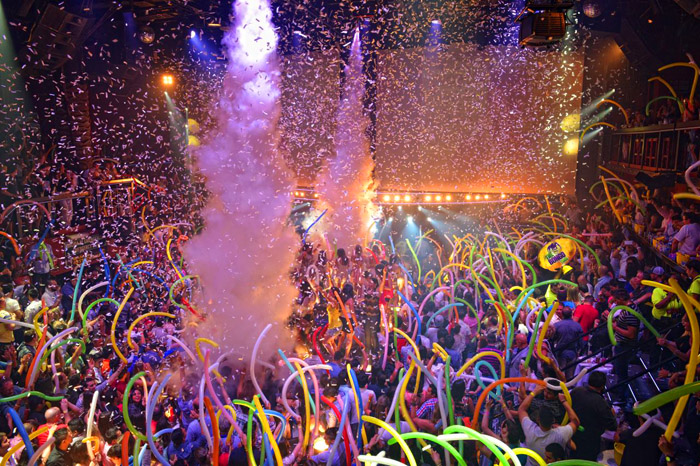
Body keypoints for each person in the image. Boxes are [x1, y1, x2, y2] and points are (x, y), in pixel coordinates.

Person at [518, 385, 580, 466]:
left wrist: (534, 392)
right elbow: (575, 422)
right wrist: (564, 401)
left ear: (538, 420)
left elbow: (521, 409)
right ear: (553, 420)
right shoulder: (561, 434)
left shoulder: (530, 430)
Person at [570, 371, 617, 460]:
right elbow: (612, 425)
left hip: (573, 434)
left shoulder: (577, 391)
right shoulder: (600, 402)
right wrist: (612, 413)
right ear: (602, 386)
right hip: (590, 441)